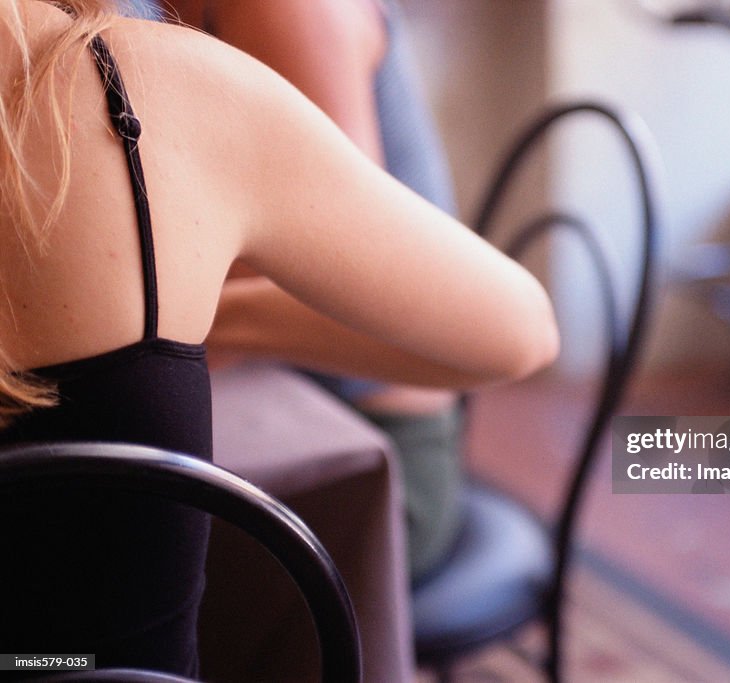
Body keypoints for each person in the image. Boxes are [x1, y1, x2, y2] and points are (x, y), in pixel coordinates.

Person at [0, 0, 558, 675]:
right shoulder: (153, 80)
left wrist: (191, 312)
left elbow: (490, 324)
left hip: (375, 421)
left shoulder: (266, 20)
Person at [153, 0, 469, 582]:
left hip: (371, 462)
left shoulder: (287, 9)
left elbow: (324, 268)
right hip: (257, 398)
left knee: (99, 551)